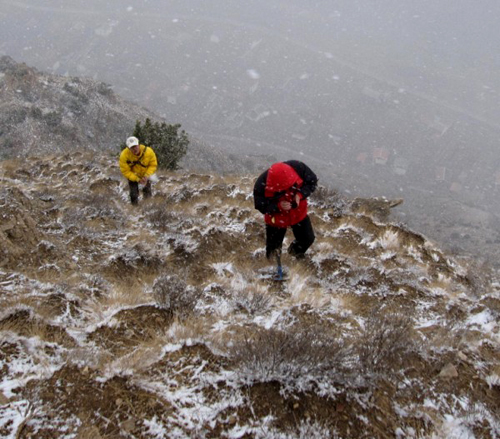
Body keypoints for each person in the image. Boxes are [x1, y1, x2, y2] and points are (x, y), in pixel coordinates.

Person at [253, 160, 318, 260]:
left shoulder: (299, 168)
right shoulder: (261, 184)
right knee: (273, 250)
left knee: (307, 239)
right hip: (276, 218)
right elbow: (260, 205)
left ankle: (294, 254)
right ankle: (272, 268)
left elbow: (312, 182)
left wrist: (299, 195)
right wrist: (278, 206)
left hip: (298, 213)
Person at [119, 136, 158, 205]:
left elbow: (153, 165)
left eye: (135, 146)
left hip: (145, 174)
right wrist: (137, 179)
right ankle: (134, 209)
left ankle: (148, 207)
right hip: (133, 175)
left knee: (147, 193)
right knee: (133, 194)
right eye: (132, 147)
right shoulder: (124, 156)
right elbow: (125, 171)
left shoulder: (148, 152)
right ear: (128, 148)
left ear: (139, 145)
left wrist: (146, 176)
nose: (134, 149)